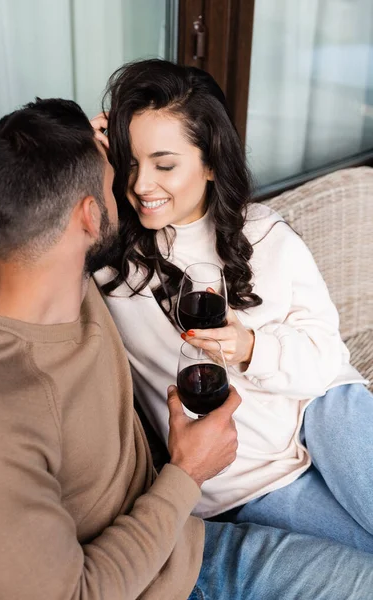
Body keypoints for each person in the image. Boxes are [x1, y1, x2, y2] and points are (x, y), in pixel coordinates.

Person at [0, 99, 373, 600]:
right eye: (119, 171)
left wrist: (75, 142)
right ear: (88, 215)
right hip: (176, 558)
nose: (136, 186)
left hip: (200, 523)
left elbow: (6, 192)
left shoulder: (57, 277)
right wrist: (187, 473)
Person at [90, 59, 373, 553]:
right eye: (131, 162)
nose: (140, 185)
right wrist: (77, 151)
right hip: (250, 477)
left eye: (164, 164)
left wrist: (250, 349)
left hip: (325, 408)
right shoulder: (113, 262)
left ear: (211, 161)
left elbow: (328, 358)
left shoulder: (264, 233)